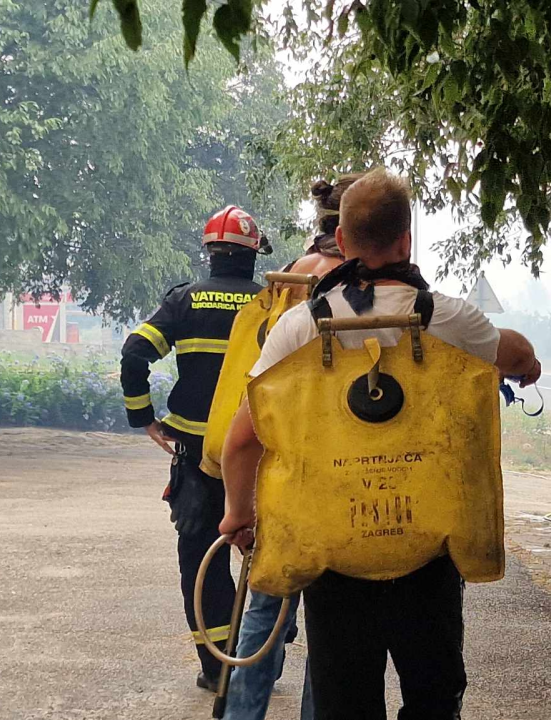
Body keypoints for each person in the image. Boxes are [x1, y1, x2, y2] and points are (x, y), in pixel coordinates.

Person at [219, 168, 540, 719]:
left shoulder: (300, 328)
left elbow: (243, 440)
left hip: (335, 553)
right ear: (405, 240)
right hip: (428, 551)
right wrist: (525, 361)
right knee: (433, 698)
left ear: (342, 240)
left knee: (344, 703)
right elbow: (516, 356)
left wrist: (237, 515)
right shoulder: (451, 321)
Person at [222, 176, 360, 720]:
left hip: (278, 471)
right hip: (341, 472)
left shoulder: (289, 277)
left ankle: (242, 714)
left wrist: (239, 507)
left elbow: (256, 400)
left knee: (264, 612)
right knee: (331, 629)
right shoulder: (364, 286)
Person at [120, 206, 269, 689]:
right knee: (271, 555)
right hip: (261, 455)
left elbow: (134, 353)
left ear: (210, 252)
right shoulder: (270, 304)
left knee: (202, 560)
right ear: (253, 253)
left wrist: (143, 417)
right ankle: (264, 656)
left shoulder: (184, 301)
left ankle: (217, 668)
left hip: (195, 455)